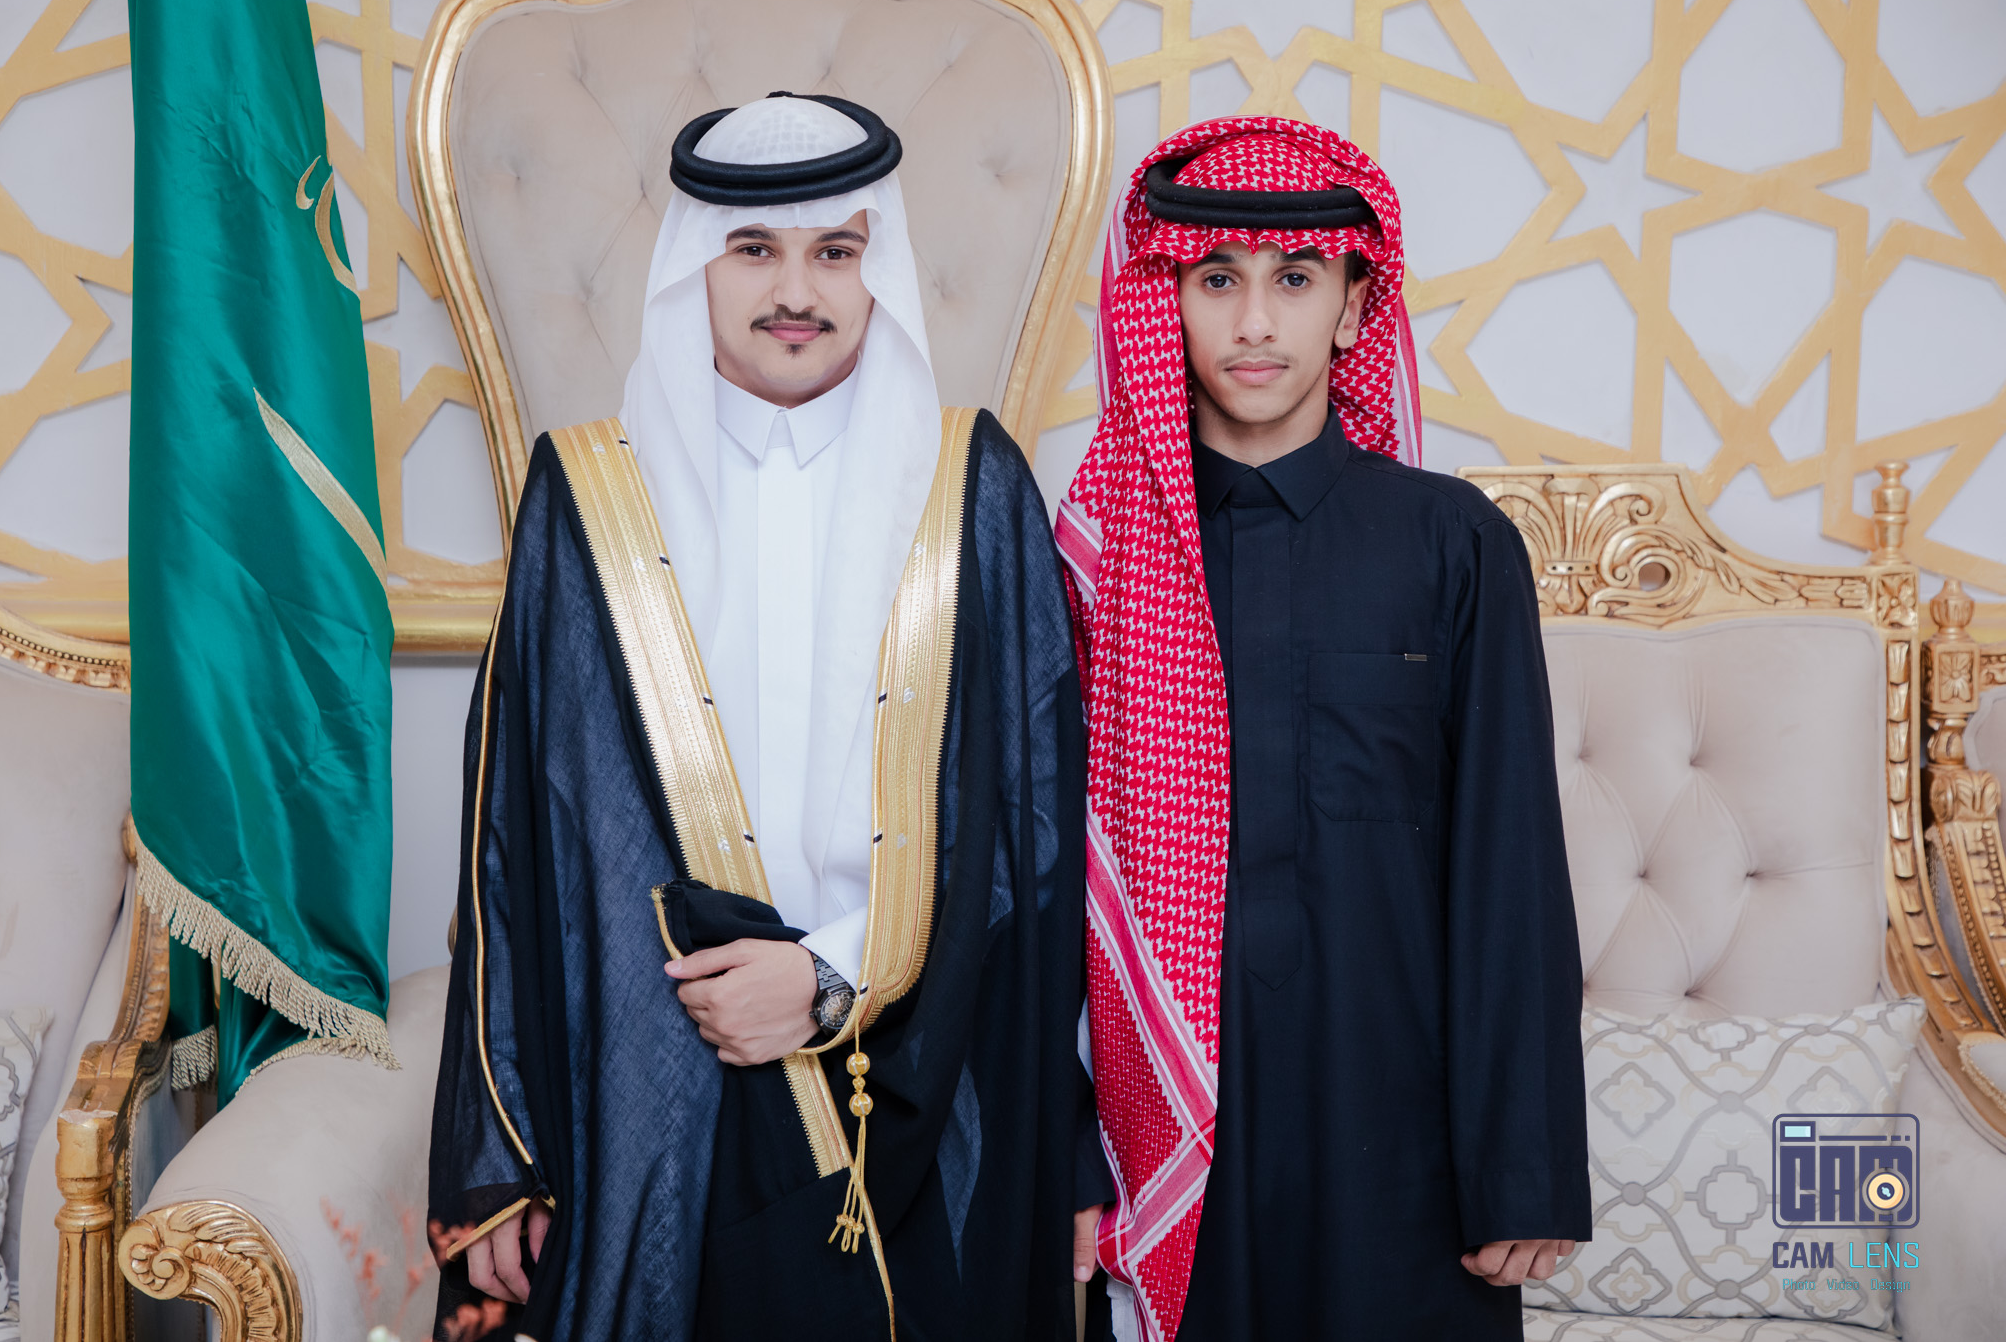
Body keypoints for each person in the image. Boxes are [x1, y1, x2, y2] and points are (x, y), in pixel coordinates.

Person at [428, 92, 1099, 1342]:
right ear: (697, 264)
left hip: (916, 1066)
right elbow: (510, 837)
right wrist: (494, 1147)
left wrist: (832, 977)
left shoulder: (971, 487)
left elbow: (1034, 834)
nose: (796, 291)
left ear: (875, 268)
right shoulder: (589, 496)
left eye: (834, 252)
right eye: (754, 250)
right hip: (649, 1074)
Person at [1056, 117, 1591, 1341]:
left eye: (1294, 280)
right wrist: (1061, 1148)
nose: (1254, 322)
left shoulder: (1450, 542)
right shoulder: (1091, 561)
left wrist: (1521, 1164)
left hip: (1396, 1130)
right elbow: (1034, 884)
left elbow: (1507, 868)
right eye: (1215, 280)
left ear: (1354, 309)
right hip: (1154, 1129)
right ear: (1163, 302)